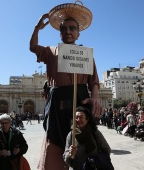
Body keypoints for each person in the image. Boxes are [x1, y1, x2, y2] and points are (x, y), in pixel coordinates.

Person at [30, 9, 102, 169]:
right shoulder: (50, 51)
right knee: (54, 140)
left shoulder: (86, 54)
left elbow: (94, 80)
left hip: (80, 100)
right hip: (57, 102)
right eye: (63, 29)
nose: (68, 31)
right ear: (60, 33)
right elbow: (33, 47)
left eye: (72, 28)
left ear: (78, 34)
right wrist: (37, 28)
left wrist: (95, 97)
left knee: (82, 140)